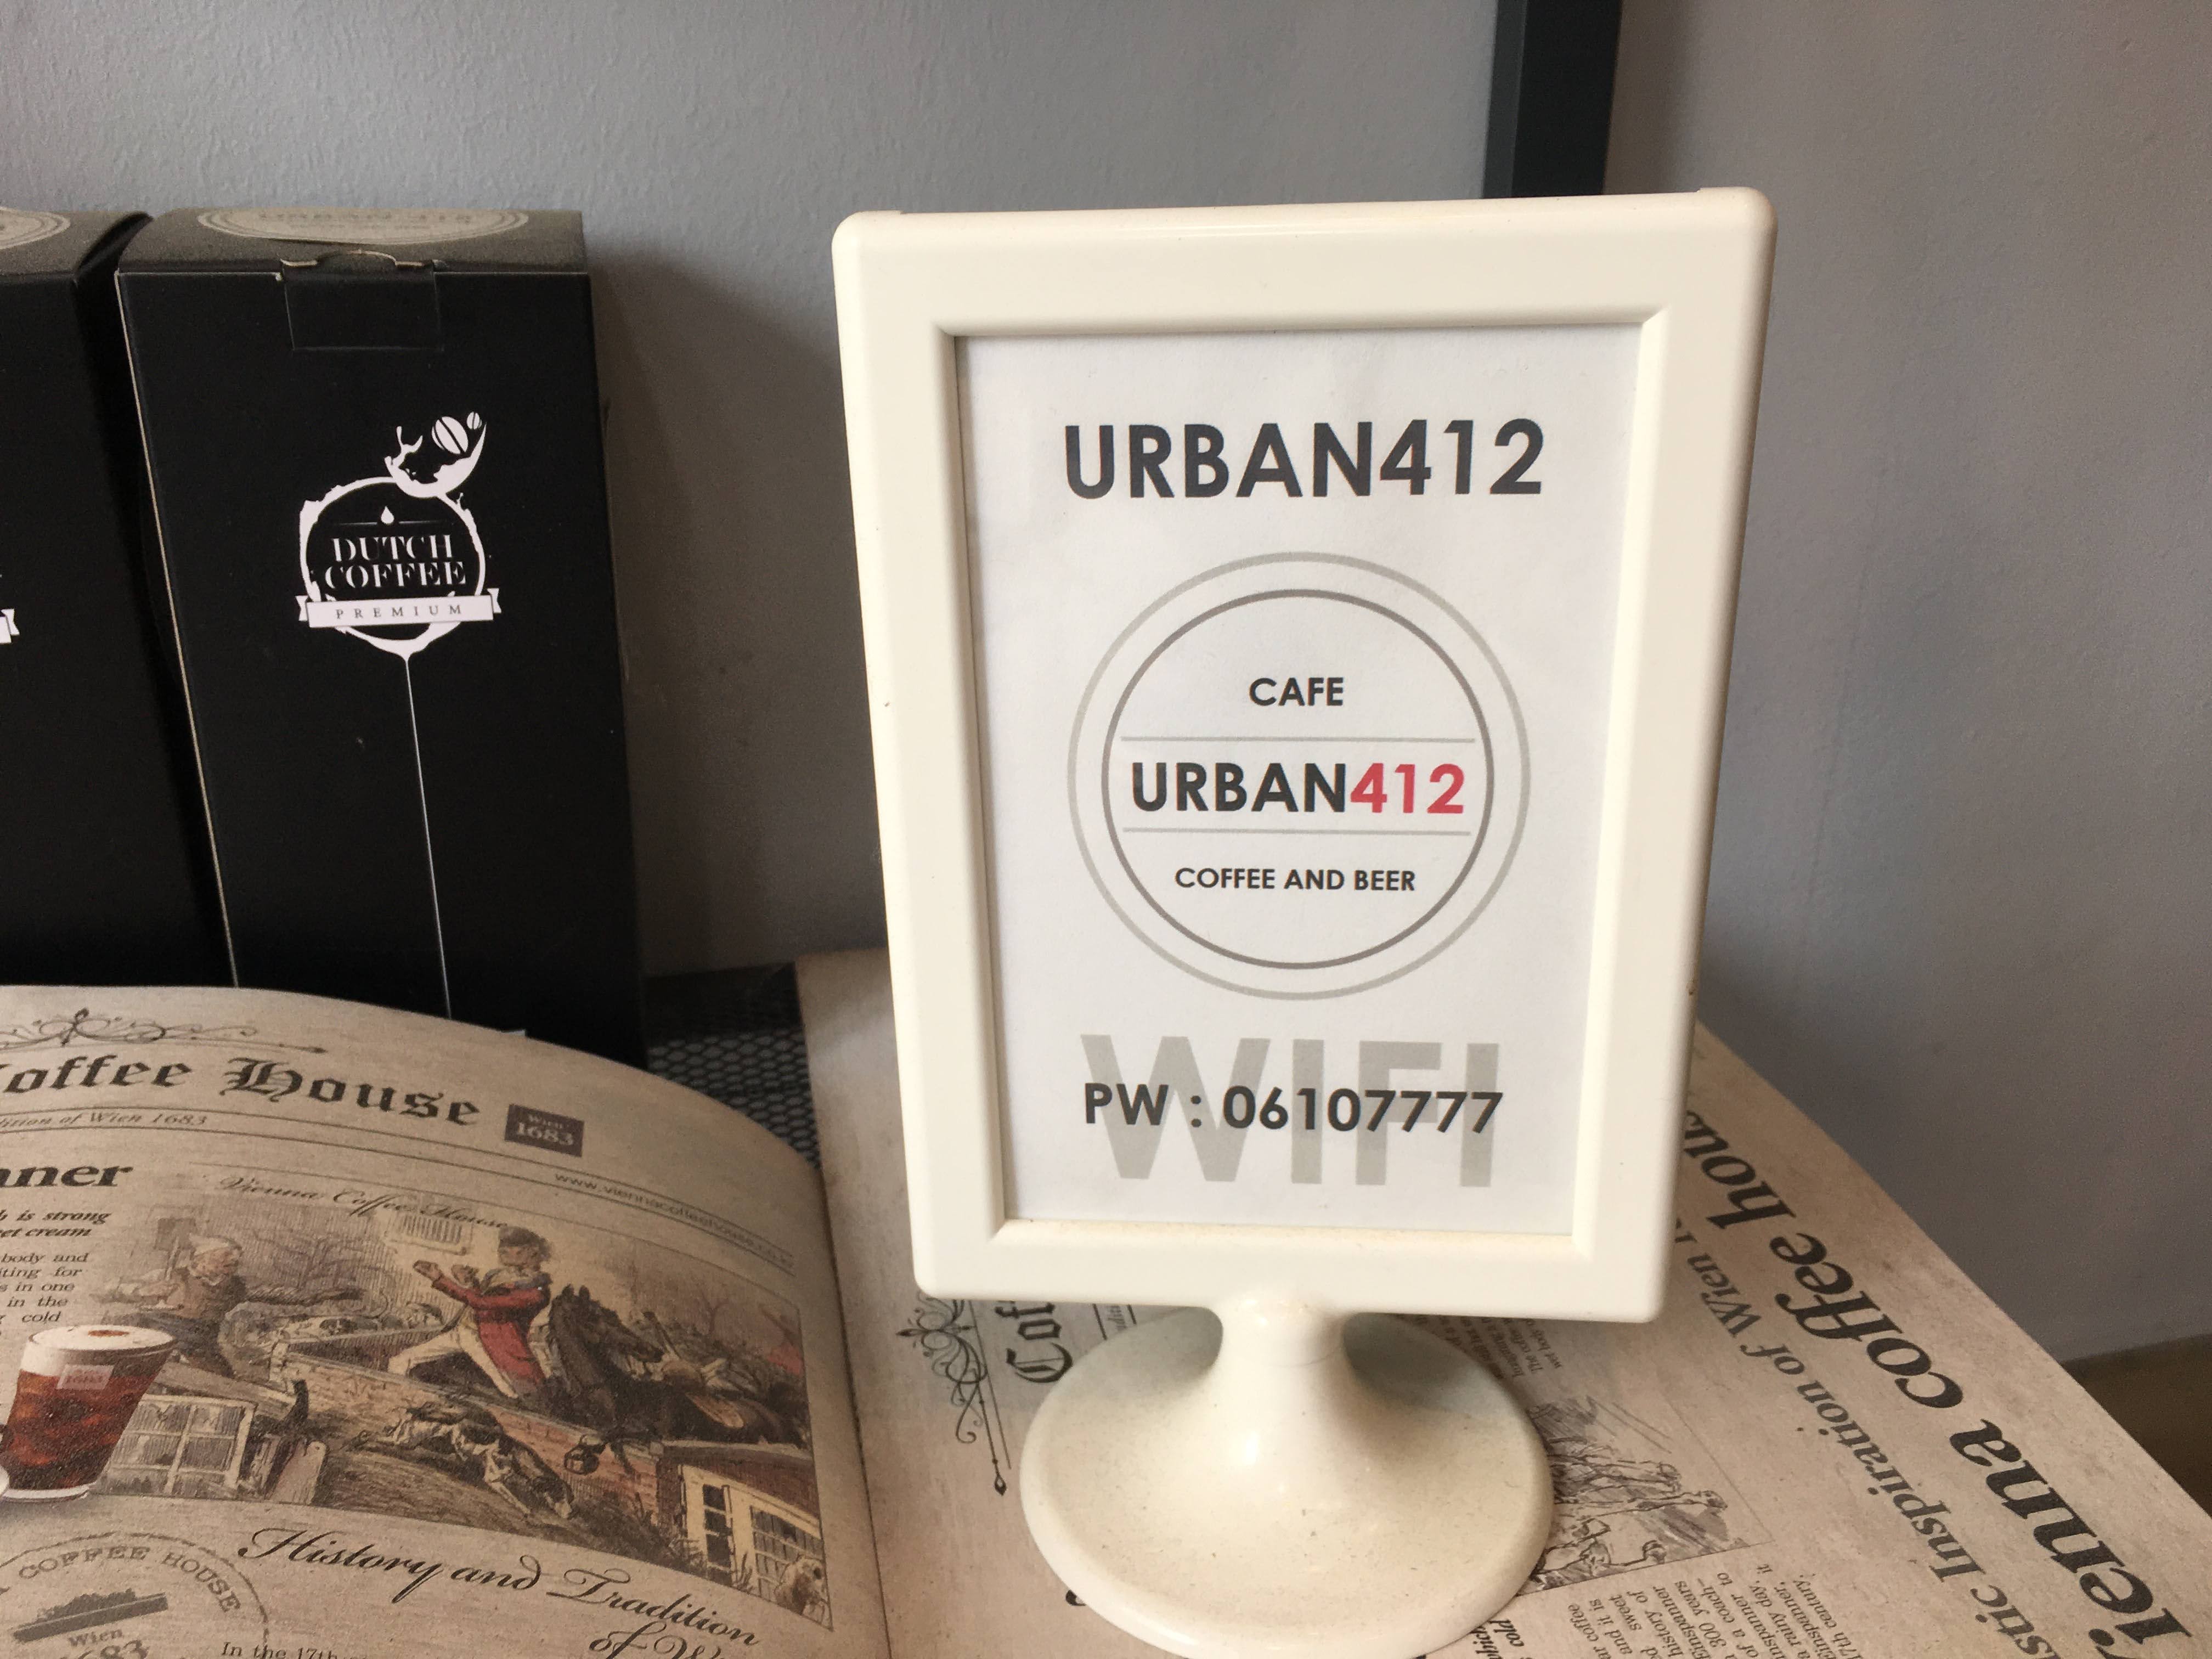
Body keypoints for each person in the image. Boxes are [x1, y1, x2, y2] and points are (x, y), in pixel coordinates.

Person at [112, 1235, 361, 1376]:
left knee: (221, 1379)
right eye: (226, 1259)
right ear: (202, 1260)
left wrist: (319, 1296)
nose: (234, 1264)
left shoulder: (237, 1286)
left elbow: (281, 1294)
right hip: (158, 1335)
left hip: (201, 1342)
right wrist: (139, 1291)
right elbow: (108, 1290)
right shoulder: (170, 1275)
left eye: (235, 1262)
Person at [387, 1228, 554, 1403]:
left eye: (513, 1246)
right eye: (503, 1246)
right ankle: (394, 1403)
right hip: (463, 1331)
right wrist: (469, 1282)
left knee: (511, 1394)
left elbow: (483, 1304)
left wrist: (440, 1279)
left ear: (532, 1252)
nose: (503, 1250)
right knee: (400, 1361)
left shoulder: (536, 1292)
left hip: (487, 1343)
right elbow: (479, 1300)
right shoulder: (500, 1275)